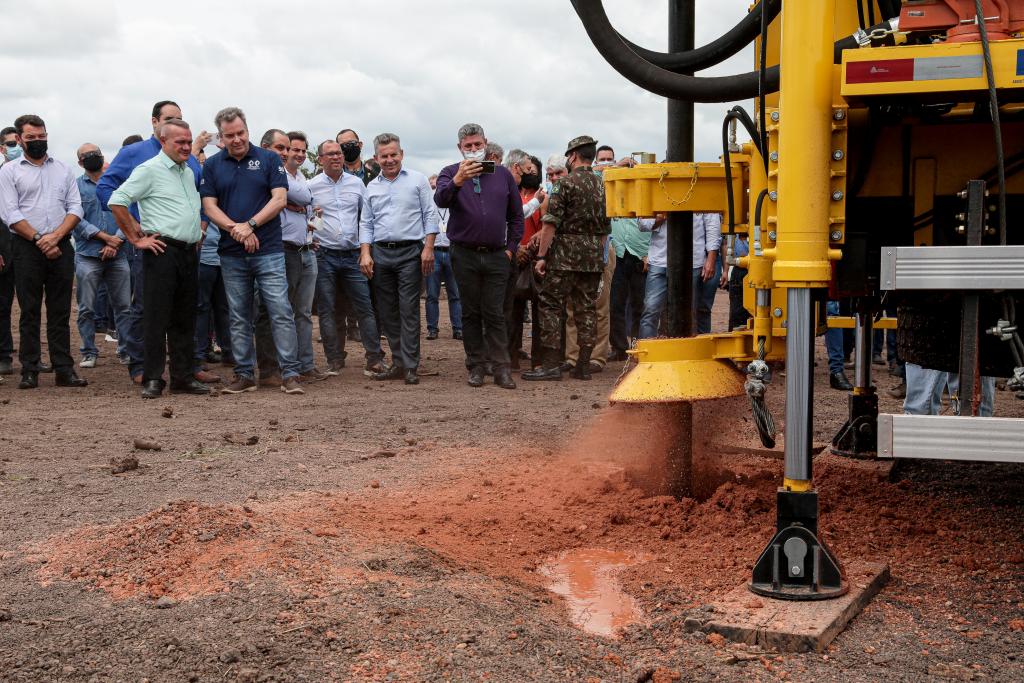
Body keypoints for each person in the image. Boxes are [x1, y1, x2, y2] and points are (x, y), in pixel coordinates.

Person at [97, 99, 203, 385]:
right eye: (180, 142)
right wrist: (135, 237)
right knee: (155, 317)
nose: (185, 146)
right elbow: (117, 199)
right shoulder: (148, 168)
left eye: (189, 142)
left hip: (188, 252)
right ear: (162, 139)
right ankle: (153, 378)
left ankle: (182, 377)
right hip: (161, 250)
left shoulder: (189, 169)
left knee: (184, 317)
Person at [199, 106, 304, 395]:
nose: (236, 139)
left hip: (269, 250)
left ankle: (290, 373)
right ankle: (244, 374)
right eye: (229, 135)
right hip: (231, 253)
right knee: (238, 314)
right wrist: (237, 229)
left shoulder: (269, 159)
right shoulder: (212, 165)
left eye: (241, 133)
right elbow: (209, 207)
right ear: (221, 136)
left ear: (248, 129)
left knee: (280, 310)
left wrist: (251, 225)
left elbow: (280, 199)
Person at [0, 114, 88, 389]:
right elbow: (10, 212)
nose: (38, 141)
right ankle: (30, 369)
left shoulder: (62, 169)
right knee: (29, 311)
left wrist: (57, 237)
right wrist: (40, 239)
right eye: (31, 138)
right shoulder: (9, 171)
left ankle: (64, 369)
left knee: (60, 310)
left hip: (61, 246)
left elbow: (75, 207)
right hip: (26, 247)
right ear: (19, 139)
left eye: (42, 136)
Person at [434, 123, 522, 389]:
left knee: (495, 312)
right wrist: (459, 180)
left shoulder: (503, 175)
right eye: (468, 146)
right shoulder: (449, 173)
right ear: (460, 148)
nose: (473, 150)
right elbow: (440, 199)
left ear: (486, 143)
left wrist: (510, 249)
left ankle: (501, 367)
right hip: (464, 253)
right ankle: (476, 365)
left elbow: (516, 216)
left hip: (497, 254)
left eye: (477, 145)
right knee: (470, 312)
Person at [523, 135, 610, 381]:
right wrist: (598, 257)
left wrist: (542, 256)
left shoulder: (565, 184)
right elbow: (605, 229)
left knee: (550, 303)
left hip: (565, 256)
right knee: (586, 308)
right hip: (593, 255)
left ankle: (551, 363)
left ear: (572, 156)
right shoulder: (603, 185)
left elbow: (550, 224)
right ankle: (583, 364)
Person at [359, 133, 437, 386]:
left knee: (409, 309)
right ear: (376, 158)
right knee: (388, 311)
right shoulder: (372, 187)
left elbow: (430, 215)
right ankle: (399, 361)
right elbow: (366, 223)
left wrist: (428, 248)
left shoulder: (418, 180)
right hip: (381, 253)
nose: (390, 159)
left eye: (394, 154)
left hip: (410, 253)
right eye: (384, 156)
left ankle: (411, 366)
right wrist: (365, 252)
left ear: (401, 154)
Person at [254, 129, 329, 383]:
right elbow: (303, 197)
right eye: (288, 149)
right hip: (281, 250)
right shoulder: (276, 173)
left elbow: (305, 203)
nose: (293, 154)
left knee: (303, 312)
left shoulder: (301, 179)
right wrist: (297, 202)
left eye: (298, 150)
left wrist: (304, 213)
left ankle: (303, 364)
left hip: (305, 249)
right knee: (277, 311)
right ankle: (274, 367)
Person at [309, 140, 385, 376]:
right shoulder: (311, 187)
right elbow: (306, 218)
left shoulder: (356, 184)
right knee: (328, 309)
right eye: (330, 154)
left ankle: (374, 357)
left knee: (365, 307)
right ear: (320, 159)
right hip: (324, 255)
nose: (336, 157)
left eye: (338, 153)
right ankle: (334, 359)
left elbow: (367, 217)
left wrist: (366, 251)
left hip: (353, 255)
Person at [72, 143, 132, 370]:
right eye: (86, 156)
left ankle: (125, 350)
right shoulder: (75, 187)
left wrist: (116, 241)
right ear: (80, 162)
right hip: (88, 255)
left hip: (118, 254)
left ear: (102, 156)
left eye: (95, 154)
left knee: (124, 307)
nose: (92, 157)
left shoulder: (118, 184)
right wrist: (105, 238)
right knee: (86, 308)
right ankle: (88, 352)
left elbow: (129, 212)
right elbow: (74, 218)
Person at [599, 146, 649, 360]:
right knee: (614, 304)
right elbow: (591, 172)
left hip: (641, 254)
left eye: (611, 159)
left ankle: (637, 346)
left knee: (641, 304)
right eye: (604, 160)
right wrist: (614, 167)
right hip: (617, 252)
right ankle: (619, 347)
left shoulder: (643, 187)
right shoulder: (607, 185)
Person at [638, 213, 716, 338]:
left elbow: (712, 224)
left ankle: (691, 353)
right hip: (660, 261)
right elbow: (642, 224)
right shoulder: (656, 193)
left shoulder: (701, 193)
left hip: (692, 261)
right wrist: (659, 218)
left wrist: (711, 258)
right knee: (650, 310)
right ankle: (645, 353)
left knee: (691, 313)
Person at [425, 174, 462, 341]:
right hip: (434, 252)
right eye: (433, 186)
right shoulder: (428, 206)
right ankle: (432, 329)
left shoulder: (454, 203)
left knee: (455, 294)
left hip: (452, 251)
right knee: (432, 294)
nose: (436, 189)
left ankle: (458, 329)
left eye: (438, 186)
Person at [0, 126, 20, 376]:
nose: (17, 147)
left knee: (32, 307)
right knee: (2, 305)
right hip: (5, 249)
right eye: (11, 144)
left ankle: (32, 357)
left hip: (33, 248)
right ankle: (4, 355)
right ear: (2, 148)